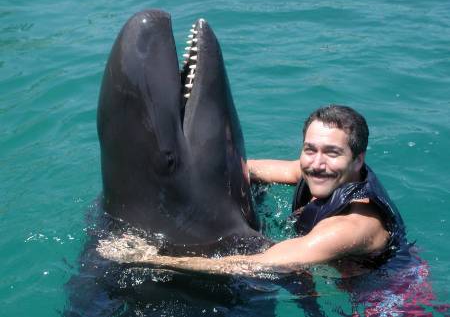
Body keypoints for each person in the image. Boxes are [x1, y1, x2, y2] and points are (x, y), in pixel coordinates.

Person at [98, 105, 405, 276]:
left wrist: (151, 259)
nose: (317, 164)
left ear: (358, 159)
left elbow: (256, 265)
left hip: (387, 303)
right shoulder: (318, 172)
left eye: (332, 153)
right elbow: (254, 168)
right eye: (310, 150)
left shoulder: (348, 227)